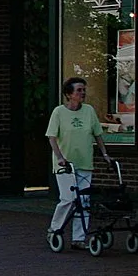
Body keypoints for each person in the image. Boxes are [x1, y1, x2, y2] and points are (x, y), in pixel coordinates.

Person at [46, 77, 111, 247]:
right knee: (68, 199)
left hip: (84, 162)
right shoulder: (59, 112)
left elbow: (97, 134)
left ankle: (79, 238)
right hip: (65, 165)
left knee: (84, 201)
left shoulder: (89, 111)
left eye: (83, 90)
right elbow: (52, 137)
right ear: (69, 94)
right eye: (79, 90)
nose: (83, 93)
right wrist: (60, 157)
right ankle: (55, 229)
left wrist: (105, 154)